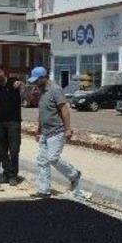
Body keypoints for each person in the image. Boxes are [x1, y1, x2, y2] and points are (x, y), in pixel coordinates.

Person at [29, 66, 82, 198]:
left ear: (43, 77)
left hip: (56, 131)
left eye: (37, 80)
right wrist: (38, 130)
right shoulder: (41, 91)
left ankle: (74, 174)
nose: (35, 83)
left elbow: (64, 109)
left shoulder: (55, 90)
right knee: (42, 161)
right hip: (45, 132)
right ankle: (44, 190)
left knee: (52, 158)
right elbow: (42, 113)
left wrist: (68, 129)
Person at [0, 63, 24, 185]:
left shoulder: (13, 82)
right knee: (2, 151)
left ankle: (13, 175)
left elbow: (21, 85)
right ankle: (7, 173)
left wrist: (20, 84)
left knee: (14, 150)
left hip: (13, 122)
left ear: (4, 71)